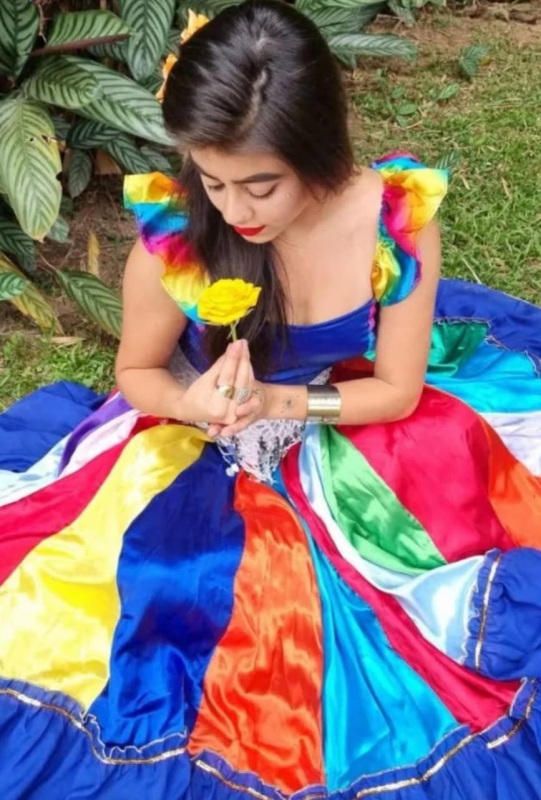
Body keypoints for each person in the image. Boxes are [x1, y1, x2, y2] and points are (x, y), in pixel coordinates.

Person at [0, 1, 540, 798]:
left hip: (344, 411)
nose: (234, 211)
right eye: (213, 181)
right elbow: (138, 373)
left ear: (318, 150)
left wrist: (281, 405)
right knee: (169, 581)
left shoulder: (393, 219)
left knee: (456, 495)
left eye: (260, 186)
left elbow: (396, 391)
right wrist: (196, 405)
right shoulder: (179, 233)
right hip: (195, 426)